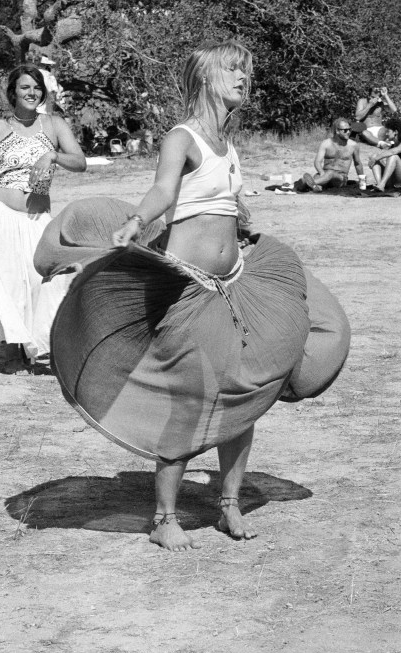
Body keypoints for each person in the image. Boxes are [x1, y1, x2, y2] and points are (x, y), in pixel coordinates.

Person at [34, 40, 351, 552]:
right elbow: (163, 191)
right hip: (190, 288)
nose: (243, 78)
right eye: (232, 70)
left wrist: (244, 225)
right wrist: (137, 221)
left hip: (236, 283)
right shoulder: (181, 137)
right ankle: (164, 517)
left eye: (246, 70)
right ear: (206, 77)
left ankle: (228, 505)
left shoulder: (228, 144)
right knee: (193, 400)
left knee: (244, 393)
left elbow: (228, 204)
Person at [0, 64, 86, 373]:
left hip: (37, 215)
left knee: (43, 280)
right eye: (25, 87)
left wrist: (52, 155)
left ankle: (41, 347)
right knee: (8, 282)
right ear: (14, 92)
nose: (31, 92)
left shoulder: (54, 124)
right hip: (0, 213)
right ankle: (13, 351)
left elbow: (80, 162)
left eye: (36, 87)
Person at [299, 118, 366, 192]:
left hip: (341, 178)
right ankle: (315, 186)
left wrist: (362, 180)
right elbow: (317, 161)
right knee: (319, 176)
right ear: (337, 131)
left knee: (330, 173)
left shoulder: (353, 145)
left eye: (349, 129)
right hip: (324, 173)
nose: (348, 132)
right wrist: (322, 173)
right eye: (345, 130)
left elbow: (358, 163)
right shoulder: (326, 143)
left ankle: (307, 184)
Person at [367, 117, 401, 194]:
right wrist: (375, 159)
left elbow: (393, 152)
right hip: (396, 179)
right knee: (374, 156)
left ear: (395, 132)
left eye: (388, 131)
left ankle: (382, 184)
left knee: (393, 156)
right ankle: (380, 184)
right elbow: (386, 160)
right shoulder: (393, 145)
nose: (386, 134)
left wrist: (376, 158)